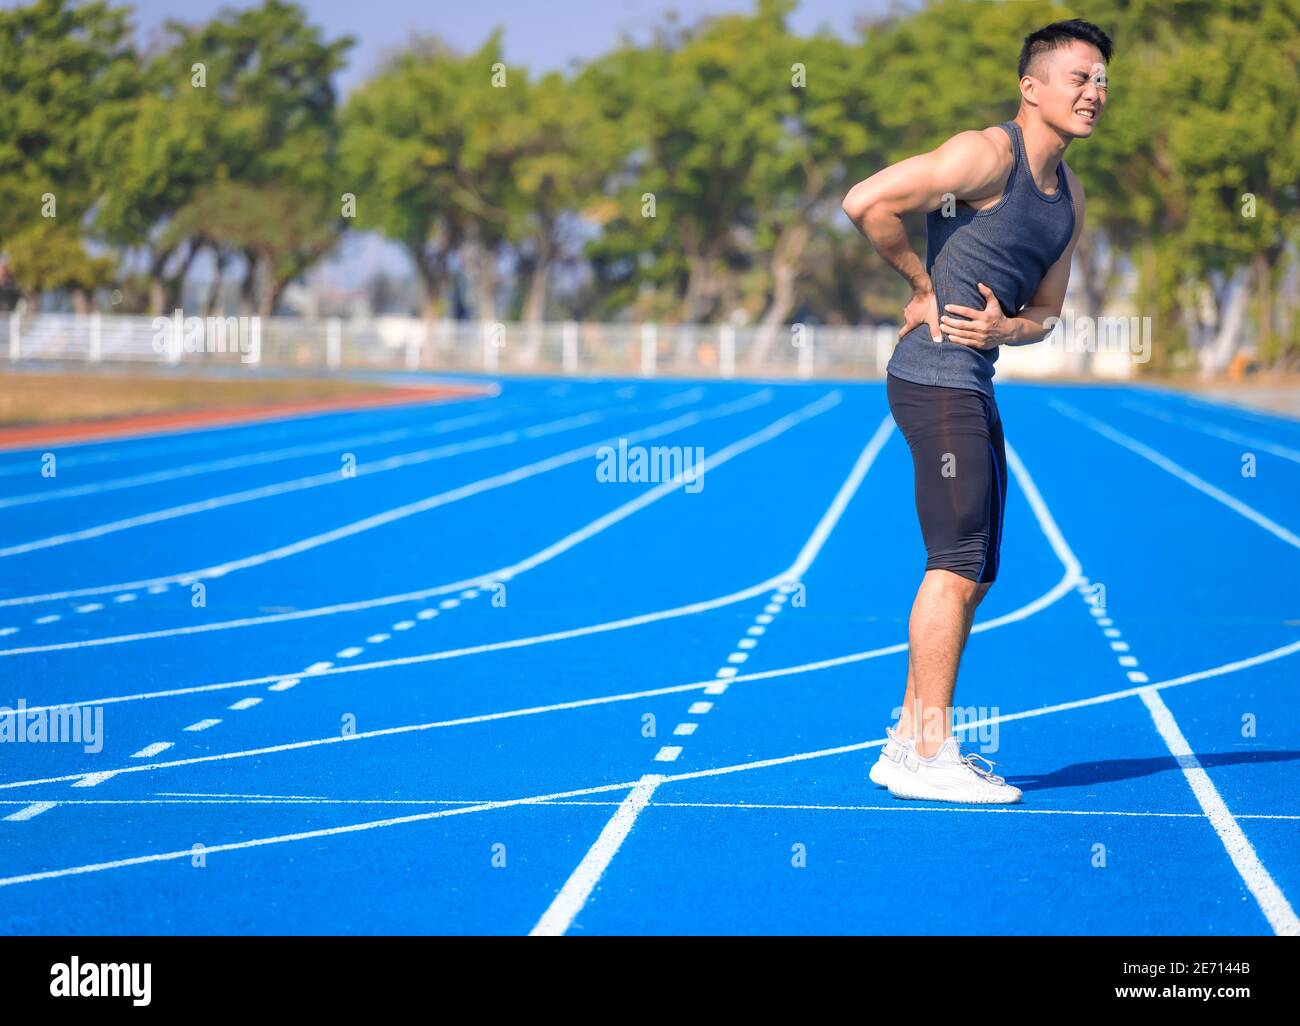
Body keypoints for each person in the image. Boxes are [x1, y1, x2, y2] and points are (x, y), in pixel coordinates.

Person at [840, 18, 1111, 803]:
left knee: (979, 567)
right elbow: (867, 201)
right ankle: (928, 751)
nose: (1093, 94)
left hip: (973, 375)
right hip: (933, 376)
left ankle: (907, 740)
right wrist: (920, 288)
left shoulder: (1070, 198)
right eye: (1078, 79)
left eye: (1101, 83)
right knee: (956, 564)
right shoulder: (985, 155)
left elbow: (1048, 312)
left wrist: (1004, 328)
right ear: (1032, 88)